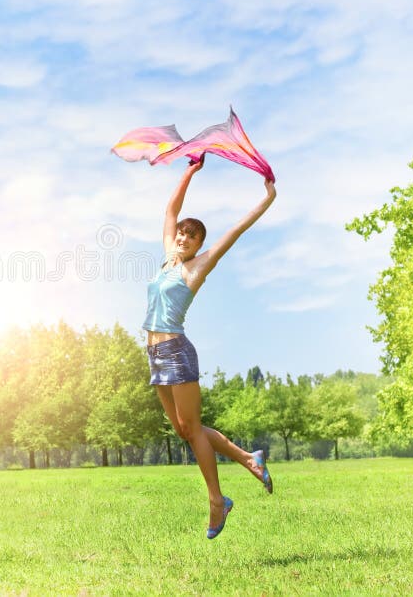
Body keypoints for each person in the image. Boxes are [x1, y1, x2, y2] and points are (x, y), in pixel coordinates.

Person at [143, 155, 276, 539]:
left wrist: (266, 199)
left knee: (193, 429)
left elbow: (236, 230)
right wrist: (191, 170)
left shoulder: (196, 268)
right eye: (181, 233)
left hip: (176, 353)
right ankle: (250, 459)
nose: (183, 237)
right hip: (154, 355)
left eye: (191, 236)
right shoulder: (167, 260)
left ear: (199, 245)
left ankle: (217, 501)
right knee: (187, 431)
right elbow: (171, 209)